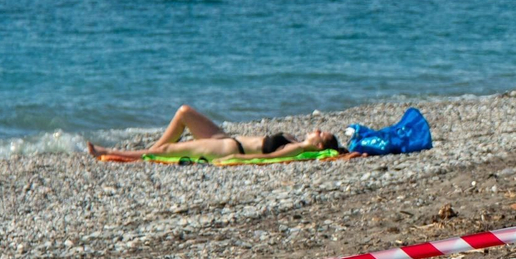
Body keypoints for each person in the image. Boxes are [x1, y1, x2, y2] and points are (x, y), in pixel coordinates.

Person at [87, 104, 341, 161]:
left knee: (166, 152)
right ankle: (151, 150)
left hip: (230, 149)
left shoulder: (300, 148)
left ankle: (110, 152)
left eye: (320, 133)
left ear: (319, 146)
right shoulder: (297, 140)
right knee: (184, 112)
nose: (316, 129)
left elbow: (269, 158)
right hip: (226, 138)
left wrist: (238, 160)